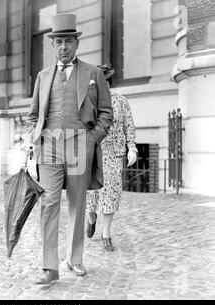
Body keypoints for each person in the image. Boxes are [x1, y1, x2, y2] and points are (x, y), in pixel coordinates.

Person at [23, 14, 113, 284]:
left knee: (77, 203)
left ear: (76, 43)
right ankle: (49, 267)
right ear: (53, 45)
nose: (63, 46)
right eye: (59, 41)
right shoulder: (43, 76)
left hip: (79, 144)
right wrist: (34, 137)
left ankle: (75, 260)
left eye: (68, 41)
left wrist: (91, 138)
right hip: (49, 145)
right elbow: (32, 115)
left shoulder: (93, 73)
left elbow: (107, 113)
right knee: (49, 203)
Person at [86, 65, 137, 251]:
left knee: (111, 194)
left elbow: (129, 126)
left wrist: (132, 148)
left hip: (114, 154)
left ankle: (106, 233)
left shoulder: (121, 102)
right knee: (91, 193)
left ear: (108, 82)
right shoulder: (89, 101)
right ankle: (91, 219)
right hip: (93, 152)